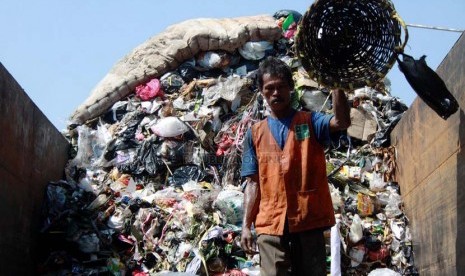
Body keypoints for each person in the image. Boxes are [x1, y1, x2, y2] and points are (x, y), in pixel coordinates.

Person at [240, 56, 351, 276]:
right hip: (271, 221)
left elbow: (341, 122)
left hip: (307, 218)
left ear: (291, 87)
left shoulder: (311, 122)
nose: (275, 93)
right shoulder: (255, 134)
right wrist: (246, 225)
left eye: (281, 86)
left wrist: (337, 86)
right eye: (269, 88)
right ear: (262, 92)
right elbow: (252, 183)